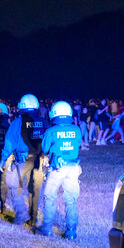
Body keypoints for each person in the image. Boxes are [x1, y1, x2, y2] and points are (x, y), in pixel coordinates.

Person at [0, 93, 49, 226]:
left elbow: (9, 142)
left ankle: (21, 214)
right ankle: (36, 214)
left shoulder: (17, 122)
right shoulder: (43, 122)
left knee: (12, 184)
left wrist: (4, 158)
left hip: (22, 161)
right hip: (39, 161)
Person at [36, 101, 83, 239]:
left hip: (57, 168)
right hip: (73, 168)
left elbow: (44, 149)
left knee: (50, 197)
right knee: (71, 200)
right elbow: (78, 144)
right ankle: (71, 232)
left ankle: (46, 229)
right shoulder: (76, 129)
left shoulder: (51, 131)